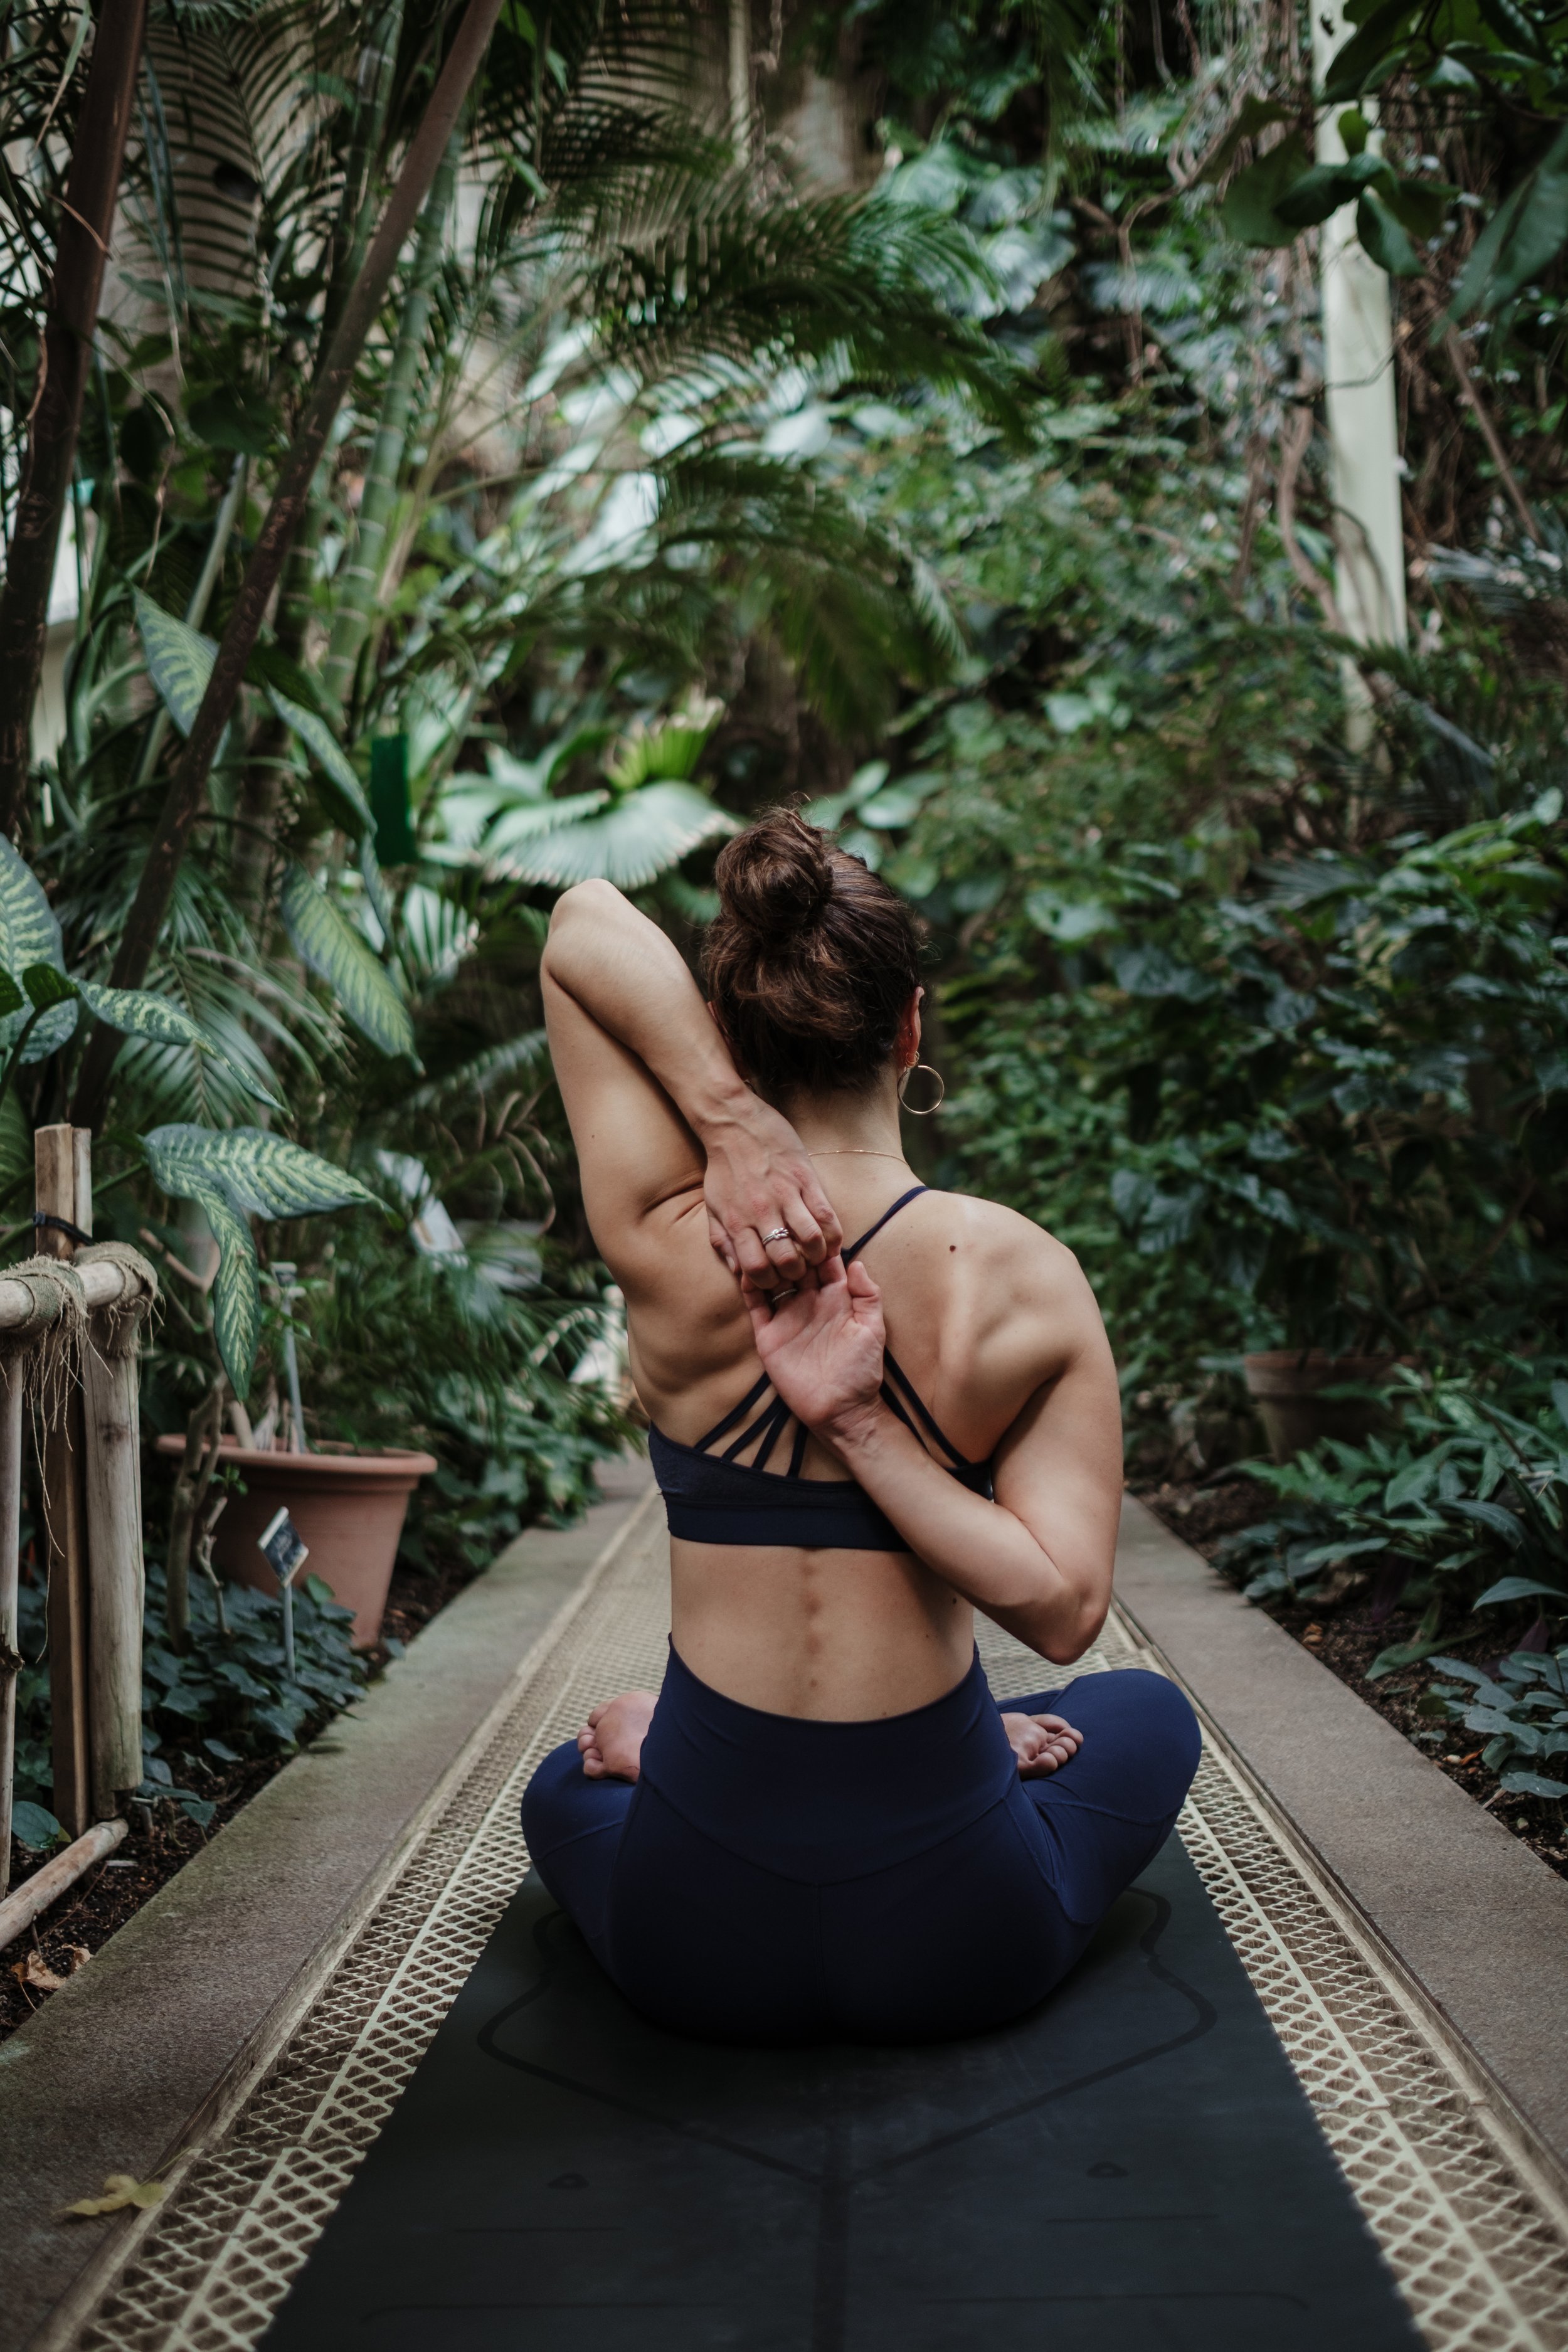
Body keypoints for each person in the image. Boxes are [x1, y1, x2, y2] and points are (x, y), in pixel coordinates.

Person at [522, 810, 1199, 2043]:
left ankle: (674, 1746)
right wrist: (869, 1429)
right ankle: (943, 1756)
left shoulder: (670, 1239)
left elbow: (581, 920)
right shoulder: (1025, 1275)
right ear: (909, 1029)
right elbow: (1058, 1616)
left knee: (563, 1784)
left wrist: (720, 1123)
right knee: (1144, 1714)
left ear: (718, 1034)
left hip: (692, 1947)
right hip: (961, 1946)